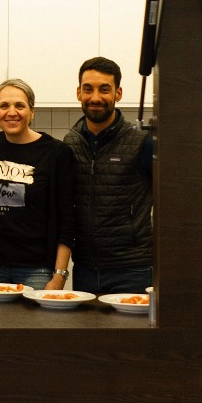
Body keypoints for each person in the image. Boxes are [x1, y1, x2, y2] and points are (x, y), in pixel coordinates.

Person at [0, 79, 75, 291]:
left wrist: (59, 275)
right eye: (4, 106)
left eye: (20, 105)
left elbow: (67, 218)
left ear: (32, 111)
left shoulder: (56, 152)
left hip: (36, 269)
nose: (12, 112)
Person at [63, 57, 153, 294]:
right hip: (85, 269)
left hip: (132, 269)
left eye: (104, 89)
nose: (95, 98)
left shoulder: (141, 142)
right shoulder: (70, 142)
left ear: (118, 93)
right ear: (78, 93)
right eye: (88, 89)